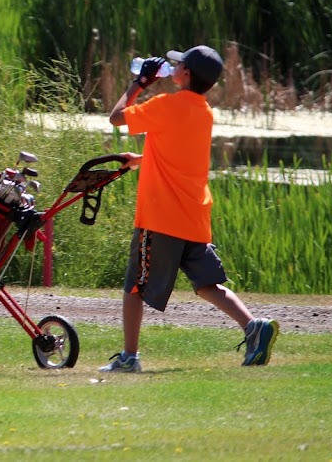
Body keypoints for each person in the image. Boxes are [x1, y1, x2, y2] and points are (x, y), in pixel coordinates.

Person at [99, 45, 279, 373]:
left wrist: (139, 83)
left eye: (179, 63)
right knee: (207, 284)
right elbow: (180, 153)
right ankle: (255, 327)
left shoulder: (166, 104)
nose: (174, 66)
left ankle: (129, 358)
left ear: (185, 74)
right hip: (193, 217)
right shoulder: (204, 111)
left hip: (161, 217)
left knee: (135, 286)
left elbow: (116, 118)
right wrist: (142, 160)